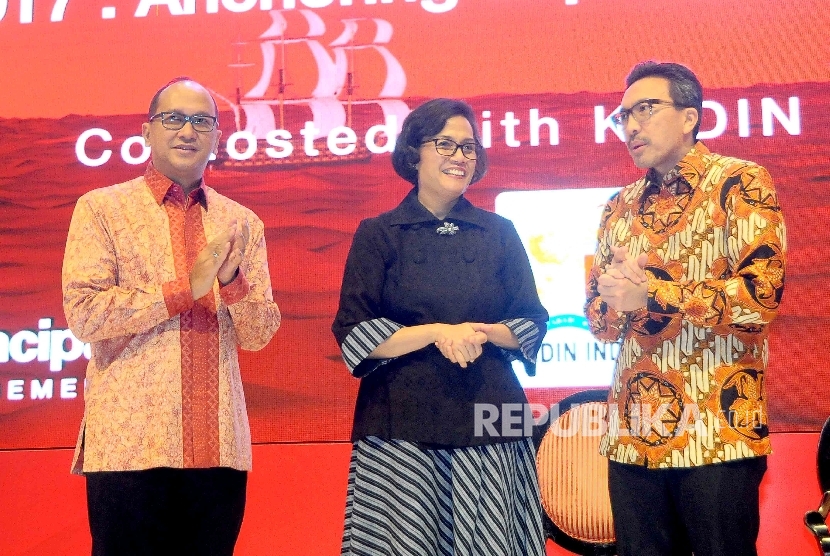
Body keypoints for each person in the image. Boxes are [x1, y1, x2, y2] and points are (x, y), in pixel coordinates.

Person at [62, 77, 281, 556]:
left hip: (219, 446)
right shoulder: (102, 209)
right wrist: (187, 289)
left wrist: (232, 284)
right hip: (130, 445)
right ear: (146, 131)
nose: (188, 131)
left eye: (202, 121)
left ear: (218, 137)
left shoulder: (242, 222)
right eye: (174, 119)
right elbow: (84, 314)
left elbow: (261, 333)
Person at [585, 61, 786, 556]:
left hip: (718, 434)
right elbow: (600, 324)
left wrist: (653, 293)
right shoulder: (617, 206)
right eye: (623, 115)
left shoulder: (740, 183)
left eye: (645, 110)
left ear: (690, 116)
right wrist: (612, 300)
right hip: (634, 439)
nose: (630, 126)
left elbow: (759, 300)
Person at [332, 98, 549, 555]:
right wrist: (436, 332)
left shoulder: (500, 231)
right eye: (446, 144)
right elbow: (354, 331)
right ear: (414, 154)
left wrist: (481, 332)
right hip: (399, 421)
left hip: (492, 417)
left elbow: (531, 321)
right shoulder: (380, 232)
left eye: (468, 147)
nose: (460, 157)